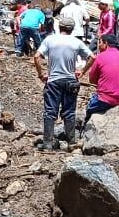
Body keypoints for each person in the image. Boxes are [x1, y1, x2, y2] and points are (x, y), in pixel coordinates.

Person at [34, 14, 95, 150]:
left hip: (54, 80)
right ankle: (71, 142)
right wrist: (83, 71)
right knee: (69, 111)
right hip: (70, 81)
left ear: (59, 27)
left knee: (50, 112)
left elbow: (37, 56)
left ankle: (48, 143)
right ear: (72, 29)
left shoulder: (50, 40)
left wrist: (41, 74)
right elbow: (92, 57)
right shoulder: (76, 42)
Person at [84, 34, 119, 129]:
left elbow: (92, 80)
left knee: (89, 110)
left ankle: (84, 130)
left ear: (105, 43)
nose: (99, 45)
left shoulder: (100, 57)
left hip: (105, 99)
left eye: (100, 42)